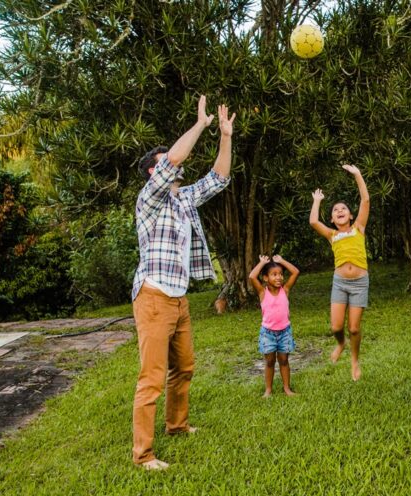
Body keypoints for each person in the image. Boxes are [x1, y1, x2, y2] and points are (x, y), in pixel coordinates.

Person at [130, 95, 235, 470]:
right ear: (152, 174)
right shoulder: (149, 201)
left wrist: (225, 135)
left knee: (185, 367)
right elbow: (174, 158)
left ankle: (176, 425)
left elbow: (219, 178)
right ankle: (143, 455)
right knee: (151, 379)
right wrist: (200, 125)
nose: (172, 166)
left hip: (179, 299)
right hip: (154, 297)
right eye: (162, 165)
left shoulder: (183, 200)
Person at [309, 165, 370, 381]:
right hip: (340, 283)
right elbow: (313, 221)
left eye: (343, 208)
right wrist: (317, 201)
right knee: (336, 326)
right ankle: (340, 343)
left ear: (351, 215)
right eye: (335, 211)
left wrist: (357, 175)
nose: (340, 211)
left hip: (360, 283)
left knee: (354, 328)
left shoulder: (358, 229)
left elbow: (365, 200)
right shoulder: (332, 235)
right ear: (333, 220)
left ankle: (355, 361)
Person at [248, 254, 301, 397]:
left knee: (284, 360)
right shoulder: (262, 292)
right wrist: (261, 263)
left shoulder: (286, 290)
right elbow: (252, 277)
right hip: (268, 333)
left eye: (281, 274)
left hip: (285, 332)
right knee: (270, 361)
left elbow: (296, 272)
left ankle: (287, 388)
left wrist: (282, 261)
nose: (278, 277)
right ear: (265, 278)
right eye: (274, 274)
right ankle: (268, 390)